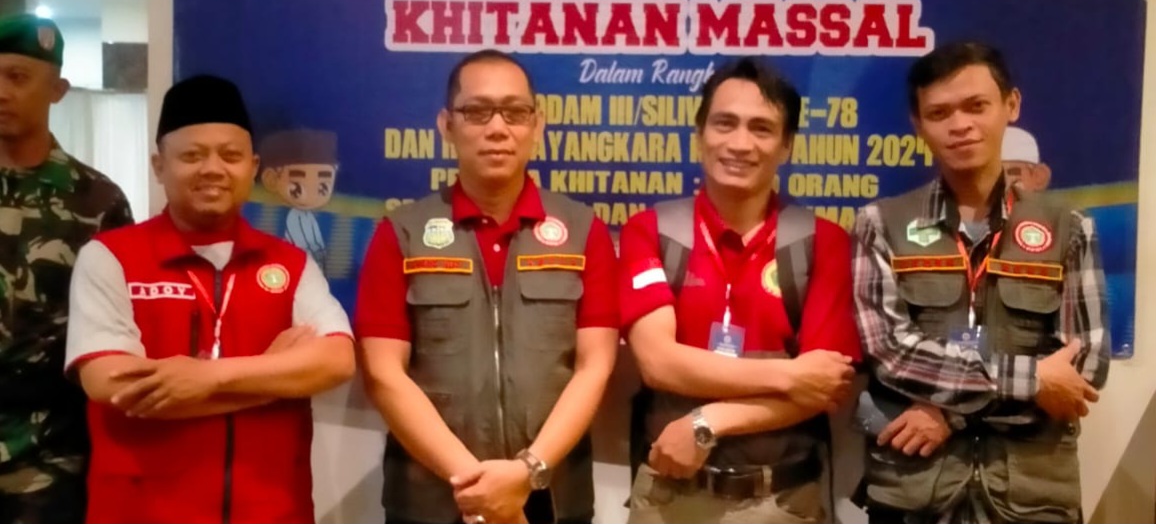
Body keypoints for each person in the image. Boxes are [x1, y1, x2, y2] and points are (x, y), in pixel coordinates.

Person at [64, 75, 355, 524]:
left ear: (253, 167)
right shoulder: (110, 257)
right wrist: (273, 378)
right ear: (159, 165)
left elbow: (336, 360)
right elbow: (115, 386)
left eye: (231, 155)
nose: (213, 169)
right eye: (192, 156)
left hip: (272, 511)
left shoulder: (290, 264)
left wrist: (205, 379)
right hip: (141, 511)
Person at [355, 49, 618, 524]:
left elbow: (594, 367)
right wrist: (477, 486)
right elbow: (383, 374)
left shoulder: (583, 231)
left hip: (551, 498)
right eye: (477, 112)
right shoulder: (402, 233)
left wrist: (526, 472)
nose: (497, 128)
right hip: (435, 501)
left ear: (537, 124)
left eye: (515, 112)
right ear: (446, 125)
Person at [852, 42, 1109, 524]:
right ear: (918, 124)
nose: (960, 125)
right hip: (914, 493)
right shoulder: (880, 224)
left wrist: (951, 413)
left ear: (1011, 105)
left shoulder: (1070, 228)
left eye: (976, 106)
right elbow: (891, 354)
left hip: (1030, 498)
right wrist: (1033, 380)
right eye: (940, 112)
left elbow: (1084, 368)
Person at [618, 57, 860, 524]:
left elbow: (823, 386)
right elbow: (658, 362)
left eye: (761, 128)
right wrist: (789, 375)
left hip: (785, 500)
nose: (740, 143)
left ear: (786, 146)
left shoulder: (823, 242)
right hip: (670, 497)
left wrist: (708, 422)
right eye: (724, 123)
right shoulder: (650, 231)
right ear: (699, 134)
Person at [0, 13, 133, 524]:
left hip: (50, 453)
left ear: (57, 90)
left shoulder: (98, 202)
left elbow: (119, 325)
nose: (3, 92)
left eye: (18, 77)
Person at [259, 128, 339, 269]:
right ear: (271, 179)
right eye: (298, 183)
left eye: (323, 185)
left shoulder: (308, 217)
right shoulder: (294, 217)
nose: (311, 193)